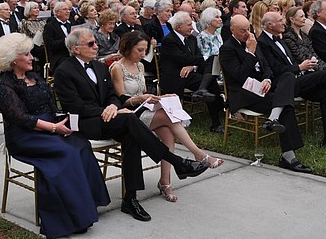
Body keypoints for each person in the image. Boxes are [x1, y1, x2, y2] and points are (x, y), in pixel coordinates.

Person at [53, 27, 210, 222]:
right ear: (75, 49)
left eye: (96, 42)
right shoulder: (63, 71)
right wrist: (107, 110)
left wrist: (112, 105)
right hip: (84, 122)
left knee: (131, 135)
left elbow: (113, 95)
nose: (97, 47)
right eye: (91, 44)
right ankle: (178, 163)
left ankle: (131, 198)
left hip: (109, 118)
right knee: (129, 120)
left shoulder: (100, 67)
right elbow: (73, 105)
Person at [0, 32, 109, 238]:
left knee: (81, 144)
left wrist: (61, 120)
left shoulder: (34, 77)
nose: (31, 58)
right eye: (26, 54)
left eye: (30, 53)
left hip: (49, 126)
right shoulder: (4, 86)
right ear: (12, 59)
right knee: (66, 153)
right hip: (24, 136)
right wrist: (53, 128)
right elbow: (22, 119)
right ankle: (70, 218)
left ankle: (87, 205)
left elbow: (50, 105)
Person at [111, 31, 223, 202]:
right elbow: (121, 100)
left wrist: (160, 98)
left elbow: (143, 94)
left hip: (142, 109)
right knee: (167, 116)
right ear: (127, 48)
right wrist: (142, 99)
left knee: (168, 132)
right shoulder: (117, 68)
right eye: (139, 50)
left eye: (145, 50)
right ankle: (198, 154)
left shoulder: (140, 66)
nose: (142, 54)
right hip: (128, 116)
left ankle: (165, 182)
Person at [220, 14, 312, 171]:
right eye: (242, 31)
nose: (247, 33)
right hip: (243, 93)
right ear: (232, 30)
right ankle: (288, 156)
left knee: (288, 76)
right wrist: (250, 52)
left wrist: (267, 79)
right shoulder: (227, 49)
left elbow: (266, 66)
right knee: (286, 106)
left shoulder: (252, 41)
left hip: (261, 88)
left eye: (248, 29)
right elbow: (239, 75)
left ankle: (273, 119)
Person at [158, 11, 224, 133]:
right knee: (209, 65)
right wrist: (194, 62)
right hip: (175, 76)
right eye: (189, 25)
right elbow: (182, 58)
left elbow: (196, 58)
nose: (192, 28)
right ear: (178, 27)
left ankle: (215, 122)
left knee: (211, 77)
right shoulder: (169, 40)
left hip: (190, 74)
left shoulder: (192, 39)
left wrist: (192, 66)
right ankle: (218, 107)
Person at [43, 1, 73, 69]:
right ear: (57, 12)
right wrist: (65, 40)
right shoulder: (49, 26)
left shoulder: (70, 25)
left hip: (72, 55)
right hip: (59, 57)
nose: (68, 11)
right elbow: (50, 45)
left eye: (69, 9)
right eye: (65, 9)